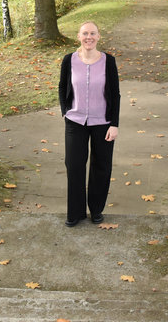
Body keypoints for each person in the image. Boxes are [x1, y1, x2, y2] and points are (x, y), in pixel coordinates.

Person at [58, 21, 120, 227]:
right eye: (85, 33)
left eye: (93, 33)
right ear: (79, 36)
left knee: (101, 166)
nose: (89, 37)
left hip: (103, 122)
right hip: (75, 121)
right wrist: (65, 111)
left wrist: (114, 124)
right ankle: (75, 212)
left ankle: (96, 210)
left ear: (98, 36)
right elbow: (62, 86)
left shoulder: (108, 61)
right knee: (74, 165)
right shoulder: (69, 60)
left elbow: (115, 95)